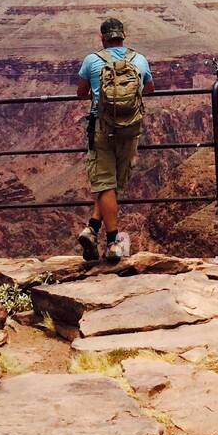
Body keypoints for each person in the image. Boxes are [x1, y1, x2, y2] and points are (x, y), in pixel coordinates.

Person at [74, 17, 154, 263]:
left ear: (103, 38)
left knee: (105, 184)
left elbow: (81, 93)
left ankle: (110, 243)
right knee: (113, 185)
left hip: (102, 129)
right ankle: (92, 229)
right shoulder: (138, 60)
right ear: (123, 36)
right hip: (130, 129)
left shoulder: (92, 61)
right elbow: (148, 88)